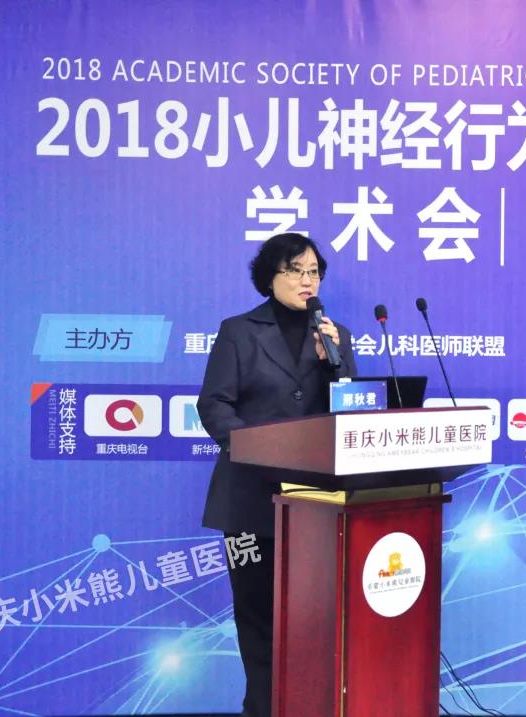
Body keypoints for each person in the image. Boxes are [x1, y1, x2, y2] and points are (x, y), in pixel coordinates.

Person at [197, 232, 357, 717]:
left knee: (314, 618)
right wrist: (256, 448)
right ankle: (262, 708)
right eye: (295, 271)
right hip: (247, 501)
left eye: (314, 272)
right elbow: (214, 404)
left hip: (316, 502)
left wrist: (337, 364)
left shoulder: (335, 334)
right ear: (270, 277)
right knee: (257, 616)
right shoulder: (238, 331)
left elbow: (351, 409)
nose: (307, 281)